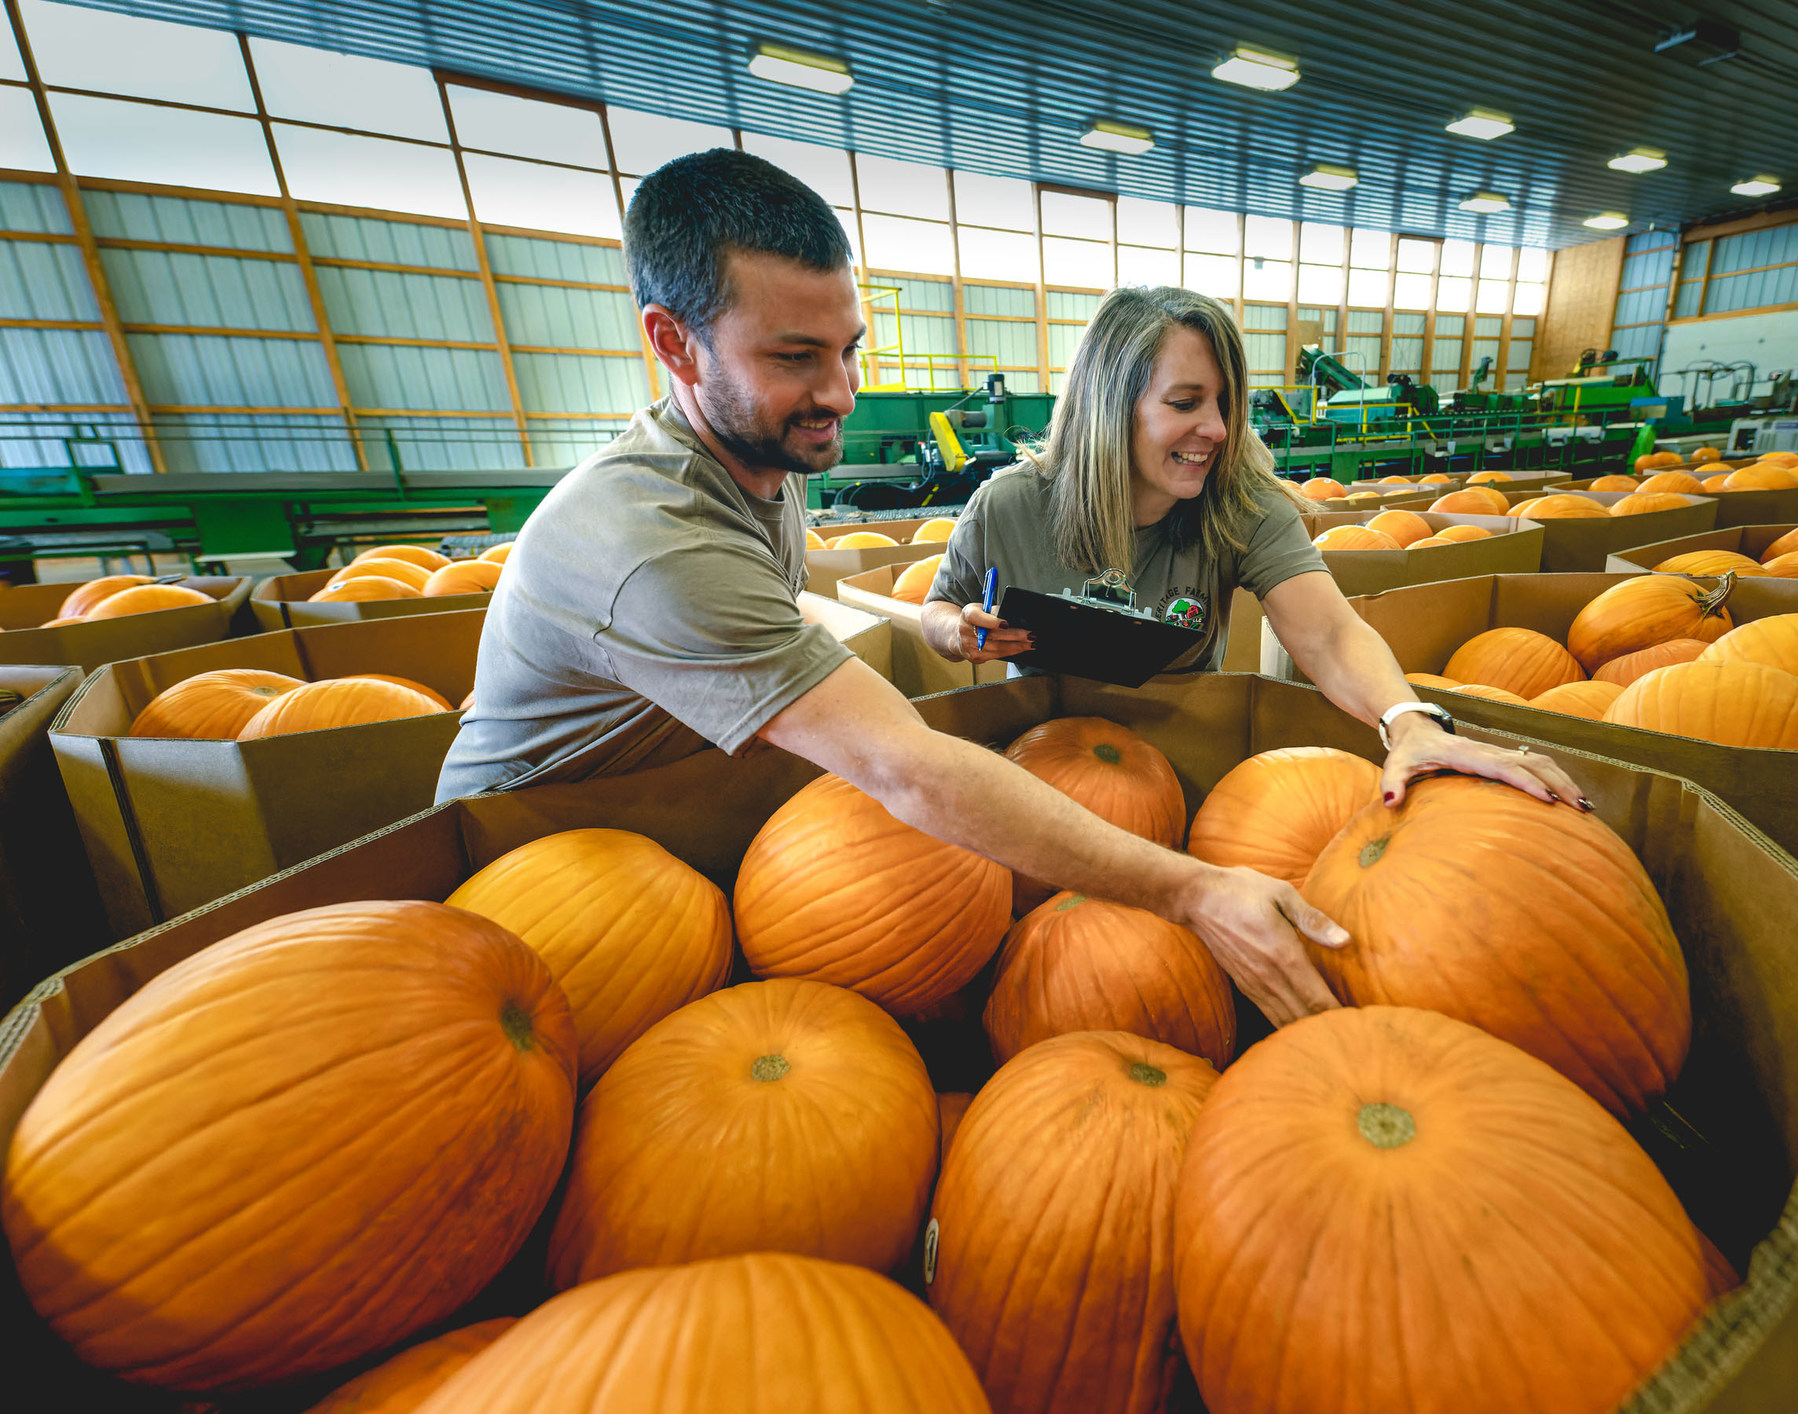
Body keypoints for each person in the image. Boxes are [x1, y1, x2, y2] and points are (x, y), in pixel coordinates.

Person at [436, 148, 1405, 1027]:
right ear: (674, 343)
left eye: (847, 347)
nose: (842, 392)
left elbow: (1322, 630)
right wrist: (1194, 889)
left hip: (664, 836)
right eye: (794, 357)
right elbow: (908, 766)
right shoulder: (655, 541)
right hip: (535, 889)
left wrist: (1410, 717)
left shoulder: (760, 466)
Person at [922, 285, 1587, 811]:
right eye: (1185, 403)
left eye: (1224, 403)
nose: (1214, 428)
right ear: (1108, 409)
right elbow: (938, 607)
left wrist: (1407, 720)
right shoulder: (1010, 503)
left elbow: (1327, 632)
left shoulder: (1240, 502)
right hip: (1040, 768)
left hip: (1183, 764)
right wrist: (959, 632)